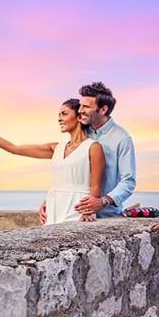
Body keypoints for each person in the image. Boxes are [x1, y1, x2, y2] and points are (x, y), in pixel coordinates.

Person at [0, 97, 105, 224]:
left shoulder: (93, 147)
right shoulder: (55, 148)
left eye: (64, 114)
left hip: (78, 209)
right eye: (58, 115)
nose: (59, 118)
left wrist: (89, 211)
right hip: (54, 209)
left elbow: (96, 186)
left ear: (79, 116)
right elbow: (14, 148)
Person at [38, 82, 136, 223]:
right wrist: (51, 201)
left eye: (86, 106)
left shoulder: (122, 139)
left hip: (105, 217)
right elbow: (71, 173)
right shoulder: (81, 132)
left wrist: (103, 201)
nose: (80, 110)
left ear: (103, 110)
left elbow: (128, 182)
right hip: (74, 214)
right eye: (81, 105)